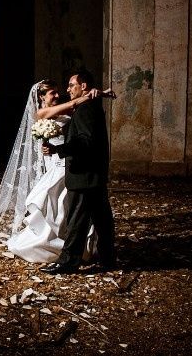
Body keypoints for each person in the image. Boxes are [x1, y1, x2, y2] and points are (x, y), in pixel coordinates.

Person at [0, 78, 115, 264]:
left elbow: (76, 111)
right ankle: (55, 246)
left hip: (68, 165)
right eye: (52, 92)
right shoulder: (42, 112)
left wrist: (93, 94)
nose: (58, 95)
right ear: (41, 97)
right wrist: (97, 93)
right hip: (61, 166)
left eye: (57, 91)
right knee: (58, 206)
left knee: (71, 208)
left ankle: (75, 248)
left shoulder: (66, 108)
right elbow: (74, 102)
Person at [40, 71, 116, 274]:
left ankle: (67, 262)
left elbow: (85, 141)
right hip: (93, 175)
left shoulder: (85, 110)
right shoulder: (90, 106)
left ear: (83, 87)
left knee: (77, 220)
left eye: (71, 85)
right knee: (102, 219)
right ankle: (108, 258)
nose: (68, 89)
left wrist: (59, 149)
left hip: (84, 174)